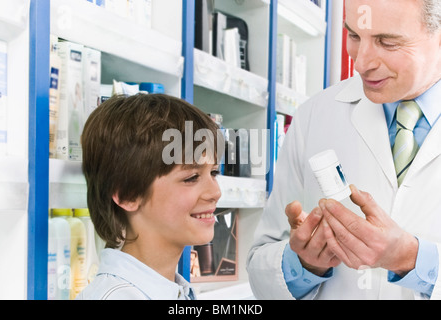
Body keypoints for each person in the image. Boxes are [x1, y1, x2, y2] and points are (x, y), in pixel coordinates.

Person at [247, 0, 441, 299]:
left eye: (387, 42)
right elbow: (261, 267)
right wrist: (303, 264)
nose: (361, 63)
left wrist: (411, 259)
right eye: (353, 36)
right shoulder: (315, 115)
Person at [76, 93, 222, 300]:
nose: (216, 192)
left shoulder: (175, 290)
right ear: (128, 194)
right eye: (191, 177)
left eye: (214, 173)